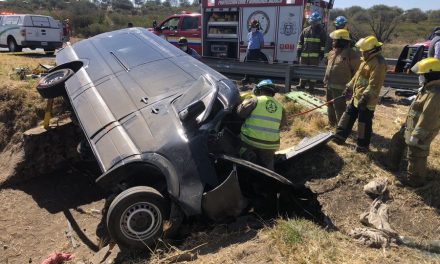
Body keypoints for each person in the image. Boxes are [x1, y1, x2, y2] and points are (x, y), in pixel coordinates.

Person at [387, 58, 440, 187]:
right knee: (398, 140)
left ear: (430, 74)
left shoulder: (435, 93)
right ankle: (392, 166)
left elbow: (428, 117)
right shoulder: (427, 88)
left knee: (416, 153)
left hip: (422, 130)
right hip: (412, 125)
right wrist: (406, 124)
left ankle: (415, 181)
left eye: (422, 74)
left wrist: (418, 135)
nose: (420, 77)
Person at [333, 36, 387, 152]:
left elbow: (375, 84)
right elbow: (357, 77)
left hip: (366, 100)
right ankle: (339, 137)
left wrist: (365, 97)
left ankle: (362, 147)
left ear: (371, 50)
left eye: (363, 51)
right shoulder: (366, 61)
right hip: (356, 97)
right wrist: (348, 87)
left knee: (363, 123)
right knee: (347, 116)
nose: (361, 53)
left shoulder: (379, 63)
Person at [237, 79, 286, 170]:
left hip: (250, 141)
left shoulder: (254, 100)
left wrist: (246, 100)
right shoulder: (280, 107)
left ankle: (247, 155)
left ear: (258, 90)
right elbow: (282, 125)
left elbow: (240, 113)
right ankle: (269, 174)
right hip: (271, 145)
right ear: (273, 93)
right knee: (268, 166)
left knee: (235, 141)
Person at [324, 29, 361, 126]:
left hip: (342, 87)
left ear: (341, 41)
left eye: (334, 40)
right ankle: (332, 124)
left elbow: (357, 72)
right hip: (329, 85)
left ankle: (341, 128)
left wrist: (351, 87)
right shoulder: (332, 53)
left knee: (340, 108)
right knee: (329, 105)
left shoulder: (351, 54)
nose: (332, 42)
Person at [296, 12, 327, 91]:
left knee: (313, 72)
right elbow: (300, 42)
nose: (314, 23)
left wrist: (321, 53)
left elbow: (323, 44)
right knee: (303, 71)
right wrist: (298, 51)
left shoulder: (321, 31)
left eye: (316, 21)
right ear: (311, 21)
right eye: (313, 21)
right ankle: (301, 85)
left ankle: (311, 87)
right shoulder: (305, 30)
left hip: (314, 56)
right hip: (304, 55)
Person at [241, 20, 265, 85]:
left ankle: (256, 79)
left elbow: (262, 44)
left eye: (254, 26)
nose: (252, 27)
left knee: (255, 65)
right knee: (247, 64)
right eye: (251, 26)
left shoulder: (260, 34)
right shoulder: (249, 34)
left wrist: (258, 50)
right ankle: (246, 78)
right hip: (249, 51)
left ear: (257, 26)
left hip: (256, 51)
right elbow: (248, 42)